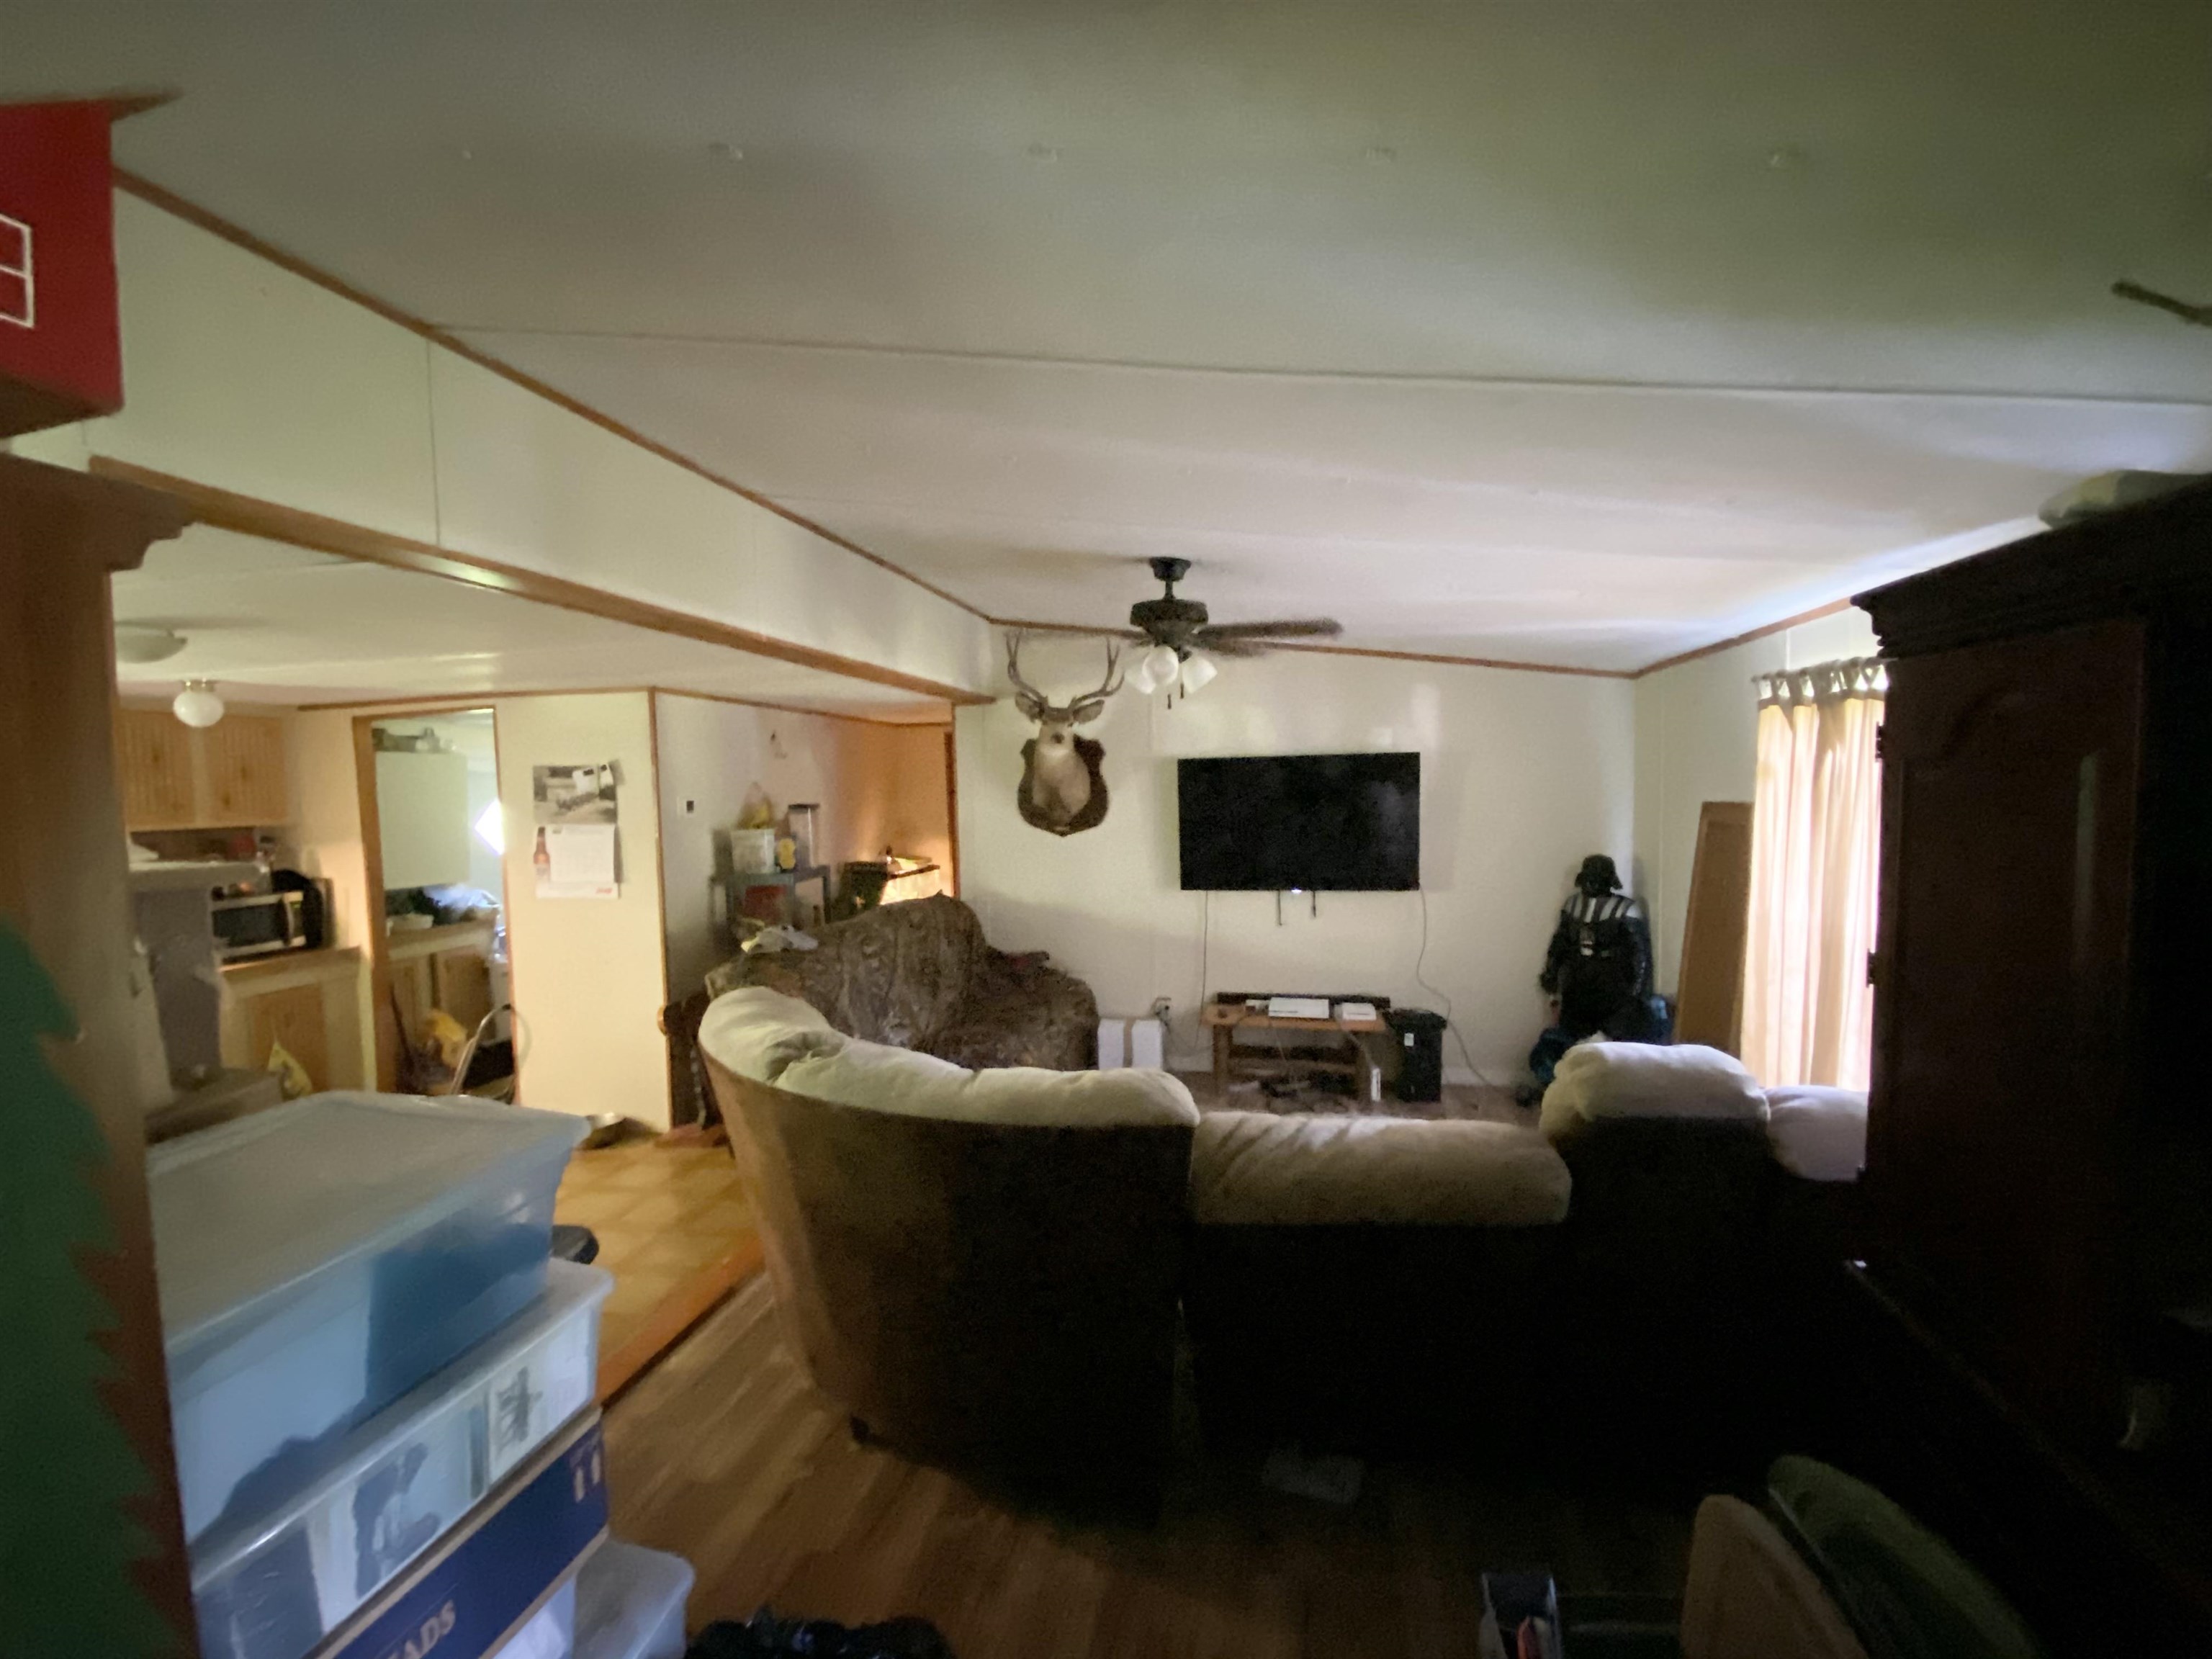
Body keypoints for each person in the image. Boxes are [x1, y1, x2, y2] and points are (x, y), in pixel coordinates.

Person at [1526, 854, 1665, 1095]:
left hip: (1612, 981)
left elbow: (1639, 955)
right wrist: (1551, 972)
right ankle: (1561, 1086)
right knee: (1569, 1036)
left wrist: (1636, 994)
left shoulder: (1626, 909)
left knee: (1613, 1039)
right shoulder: (1573, 906)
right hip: (1578, 979)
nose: (1592, 884)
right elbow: (1560, 943)